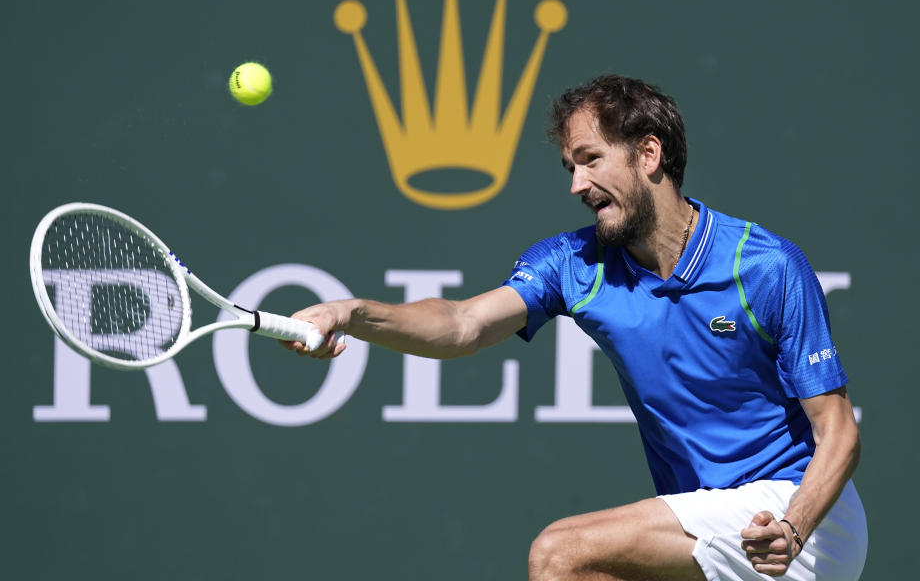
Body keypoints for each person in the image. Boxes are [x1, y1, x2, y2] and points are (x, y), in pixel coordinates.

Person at [283, 75, 868, 581]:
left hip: (802, 520)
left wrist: (792, 528)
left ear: (648, 153)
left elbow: (838, 431)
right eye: (570, 167)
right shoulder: (572, 263)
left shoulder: (765, 266)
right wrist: (354, 314)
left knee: (561, 553)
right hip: (704, 519)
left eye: (591, 160)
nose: (576, 185)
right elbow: (462, 324)